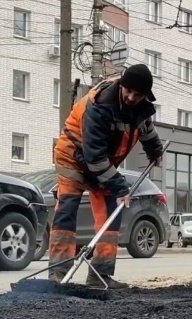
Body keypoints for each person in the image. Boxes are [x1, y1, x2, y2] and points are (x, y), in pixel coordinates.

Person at [49, 64, 164, 288]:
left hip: (101, 161)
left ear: (145, 96)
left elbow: (146, 129)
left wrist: (155, 150)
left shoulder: (139, 108)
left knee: (112, 211)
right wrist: (121, 188)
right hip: (73, 156)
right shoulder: (100, 105)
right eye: (127, 90)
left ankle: (99, 276)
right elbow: (94, 157)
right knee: (67, 209)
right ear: (121, 85)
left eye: (137, 94)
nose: (131, 97)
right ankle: (58, 274)